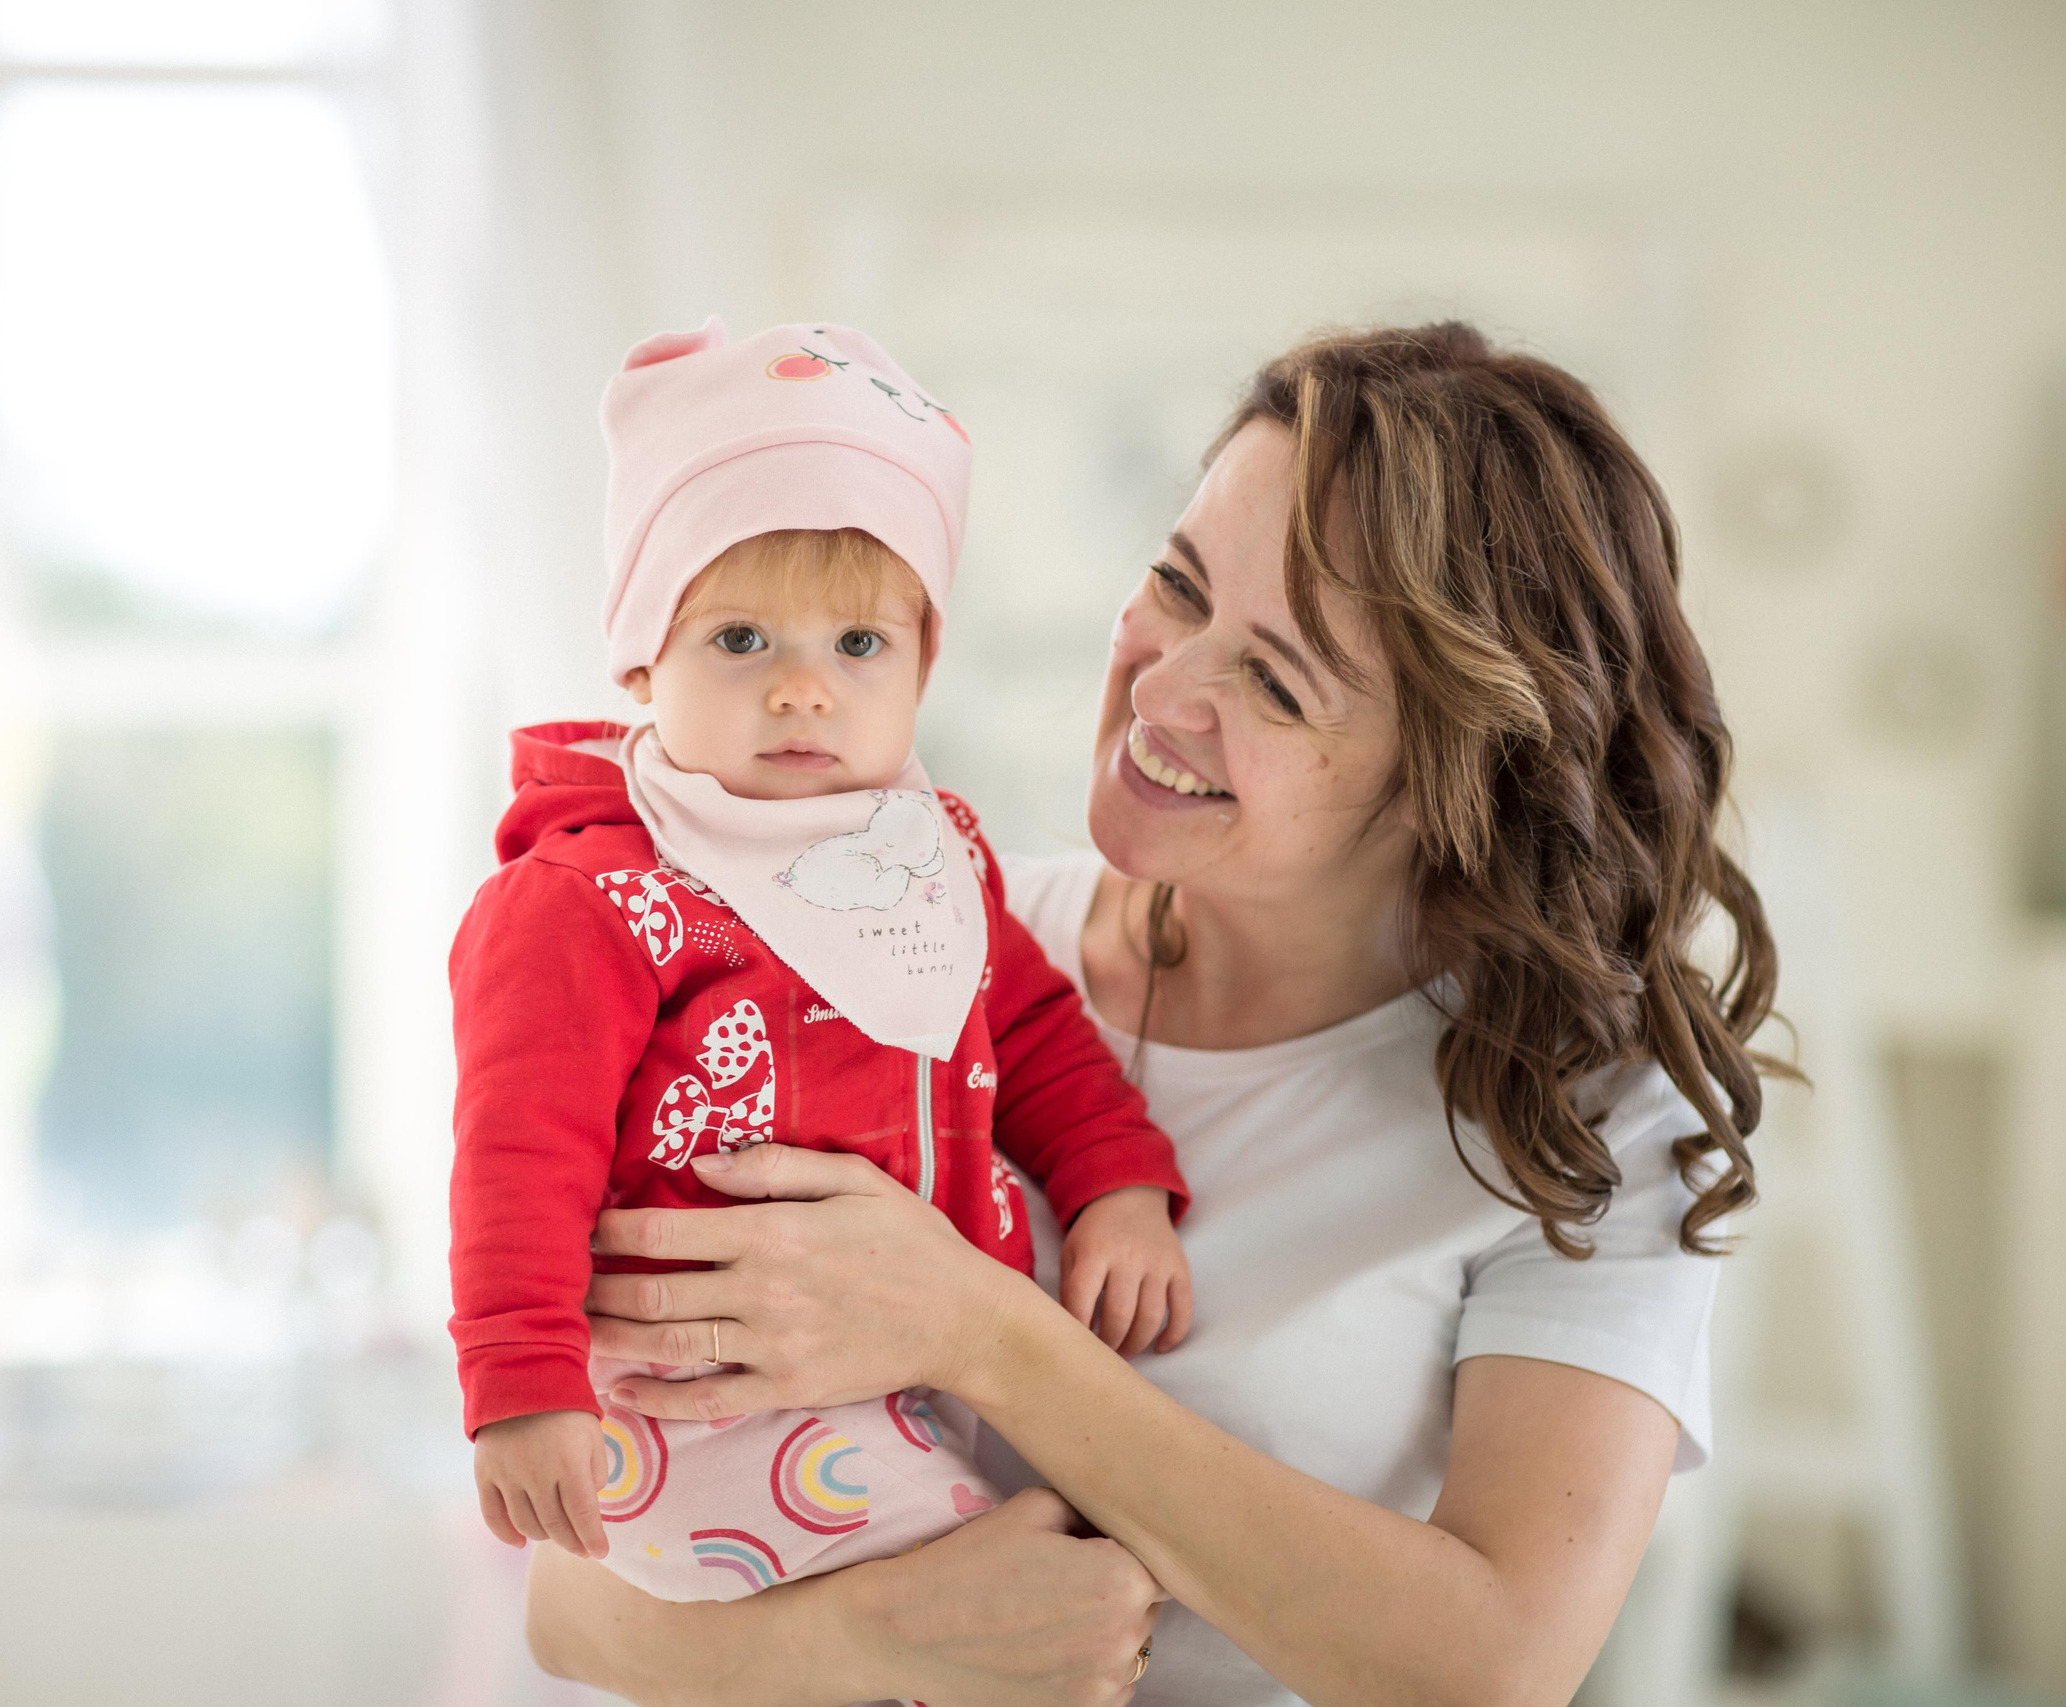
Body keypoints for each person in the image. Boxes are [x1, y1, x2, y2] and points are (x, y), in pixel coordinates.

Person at [524, 322, 1780, 1706]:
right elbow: (572, 1597)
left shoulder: (1583, 1123)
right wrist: (866, 1642)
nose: (1161, 689)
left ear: (1450, 781)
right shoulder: (910, 945)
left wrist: (985, 1336)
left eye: (1279, 681)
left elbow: (1493, 1664)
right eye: (1179, 587)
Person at [448, 317, 1192, 1605]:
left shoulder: (930, 864)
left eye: (857, 647)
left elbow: (1034, 1039)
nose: (804, 692)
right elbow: (517, 1148)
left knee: (1043, 1585)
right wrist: (518, 1383)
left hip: (892, 1383)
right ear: (641, 654)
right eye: (742, 642)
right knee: (1032, 1600)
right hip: (688, 1403)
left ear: (922, 662)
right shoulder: (586, 898)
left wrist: (1120, 1184)